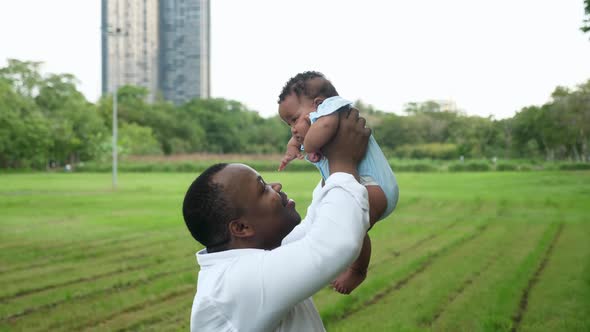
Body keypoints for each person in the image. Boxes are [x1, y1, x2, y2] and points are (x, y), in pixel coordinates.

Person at [183, 109, 372, 331]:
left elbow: (316, 223)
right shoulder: (233, 284)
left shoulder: (254, 258)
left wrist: (327, 154)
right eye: (263, 188)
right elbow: (332, 245)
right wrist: (343, 160)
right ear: (242, 227)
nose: (276, 186)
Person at [277, 71, 399, 294]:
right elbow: (302, 137)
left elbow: (318, 134)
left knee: (354, 228)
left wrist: (307, 145)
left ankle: (357, 271)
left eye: (294, 120)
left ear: (319, 104)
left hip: (373, 186)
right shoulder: (315, 118)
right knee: (345, 224)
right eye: (288, 124)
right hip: (358, 182)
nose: (293, 130)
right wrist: (292, 148)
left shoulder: (333, 110)